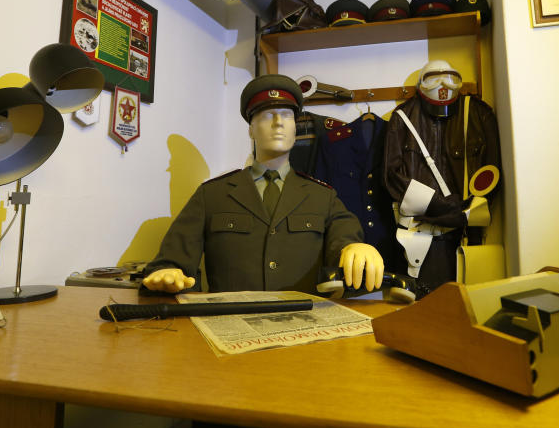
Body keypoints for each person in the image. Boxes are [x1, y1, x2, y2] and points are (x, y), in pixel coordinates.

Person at [143, 74, 383, 295]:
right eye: (267, 115)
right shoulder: (212, 195)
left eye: (287, 115)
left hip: (304, 329)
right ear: (250, 129)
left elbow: (344, 238)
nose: (279, 122)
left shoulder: (322, 197)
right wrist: (168, 273)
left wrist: (355, 248)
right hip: (229, 327)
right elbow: (172, 262)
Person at [383, 61, 501, 289]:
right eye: (434, 80)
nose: (442, 86)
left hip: (467, 237)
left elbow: (492, 175)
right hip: (418, 235)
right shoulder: (403, 117)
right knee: (420, 310)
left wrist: (462, 211)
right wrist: (446, 207)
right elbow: (392, 176)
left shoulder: (479, 113)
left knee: (467, 306)